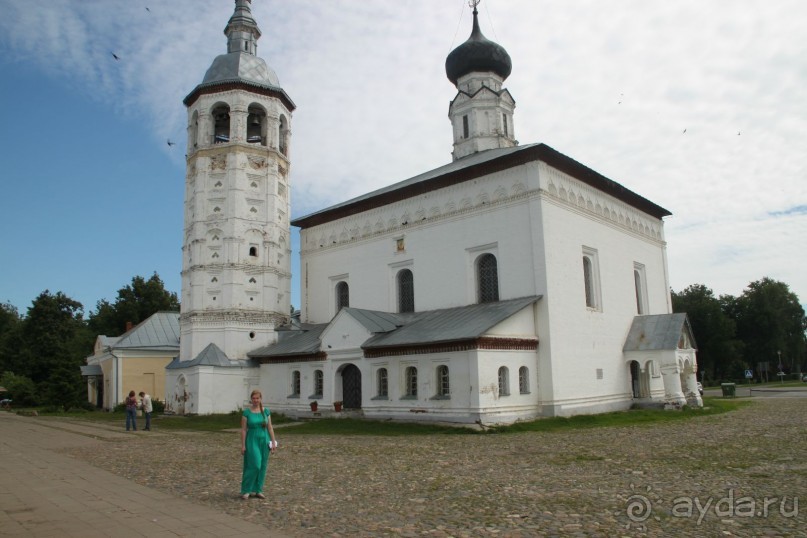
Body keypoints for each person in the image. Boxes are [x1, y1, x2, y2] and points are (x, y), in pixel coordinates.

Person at [240, 389, 277, 500]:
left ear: (261, 399)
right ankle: (246, 489)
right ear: (251, 399)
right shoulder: (247, 413)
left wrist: (273, 442)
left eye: (258, 398)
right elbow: (243, 430)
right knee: (255, 464)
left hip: (264, 440)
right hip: (252, 440)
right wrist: (243, 445)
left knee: (263, 465)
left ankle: (258, 489)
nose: (256, 400)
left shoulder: (266, 412)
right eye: (254, 398)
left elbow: (270, 427)